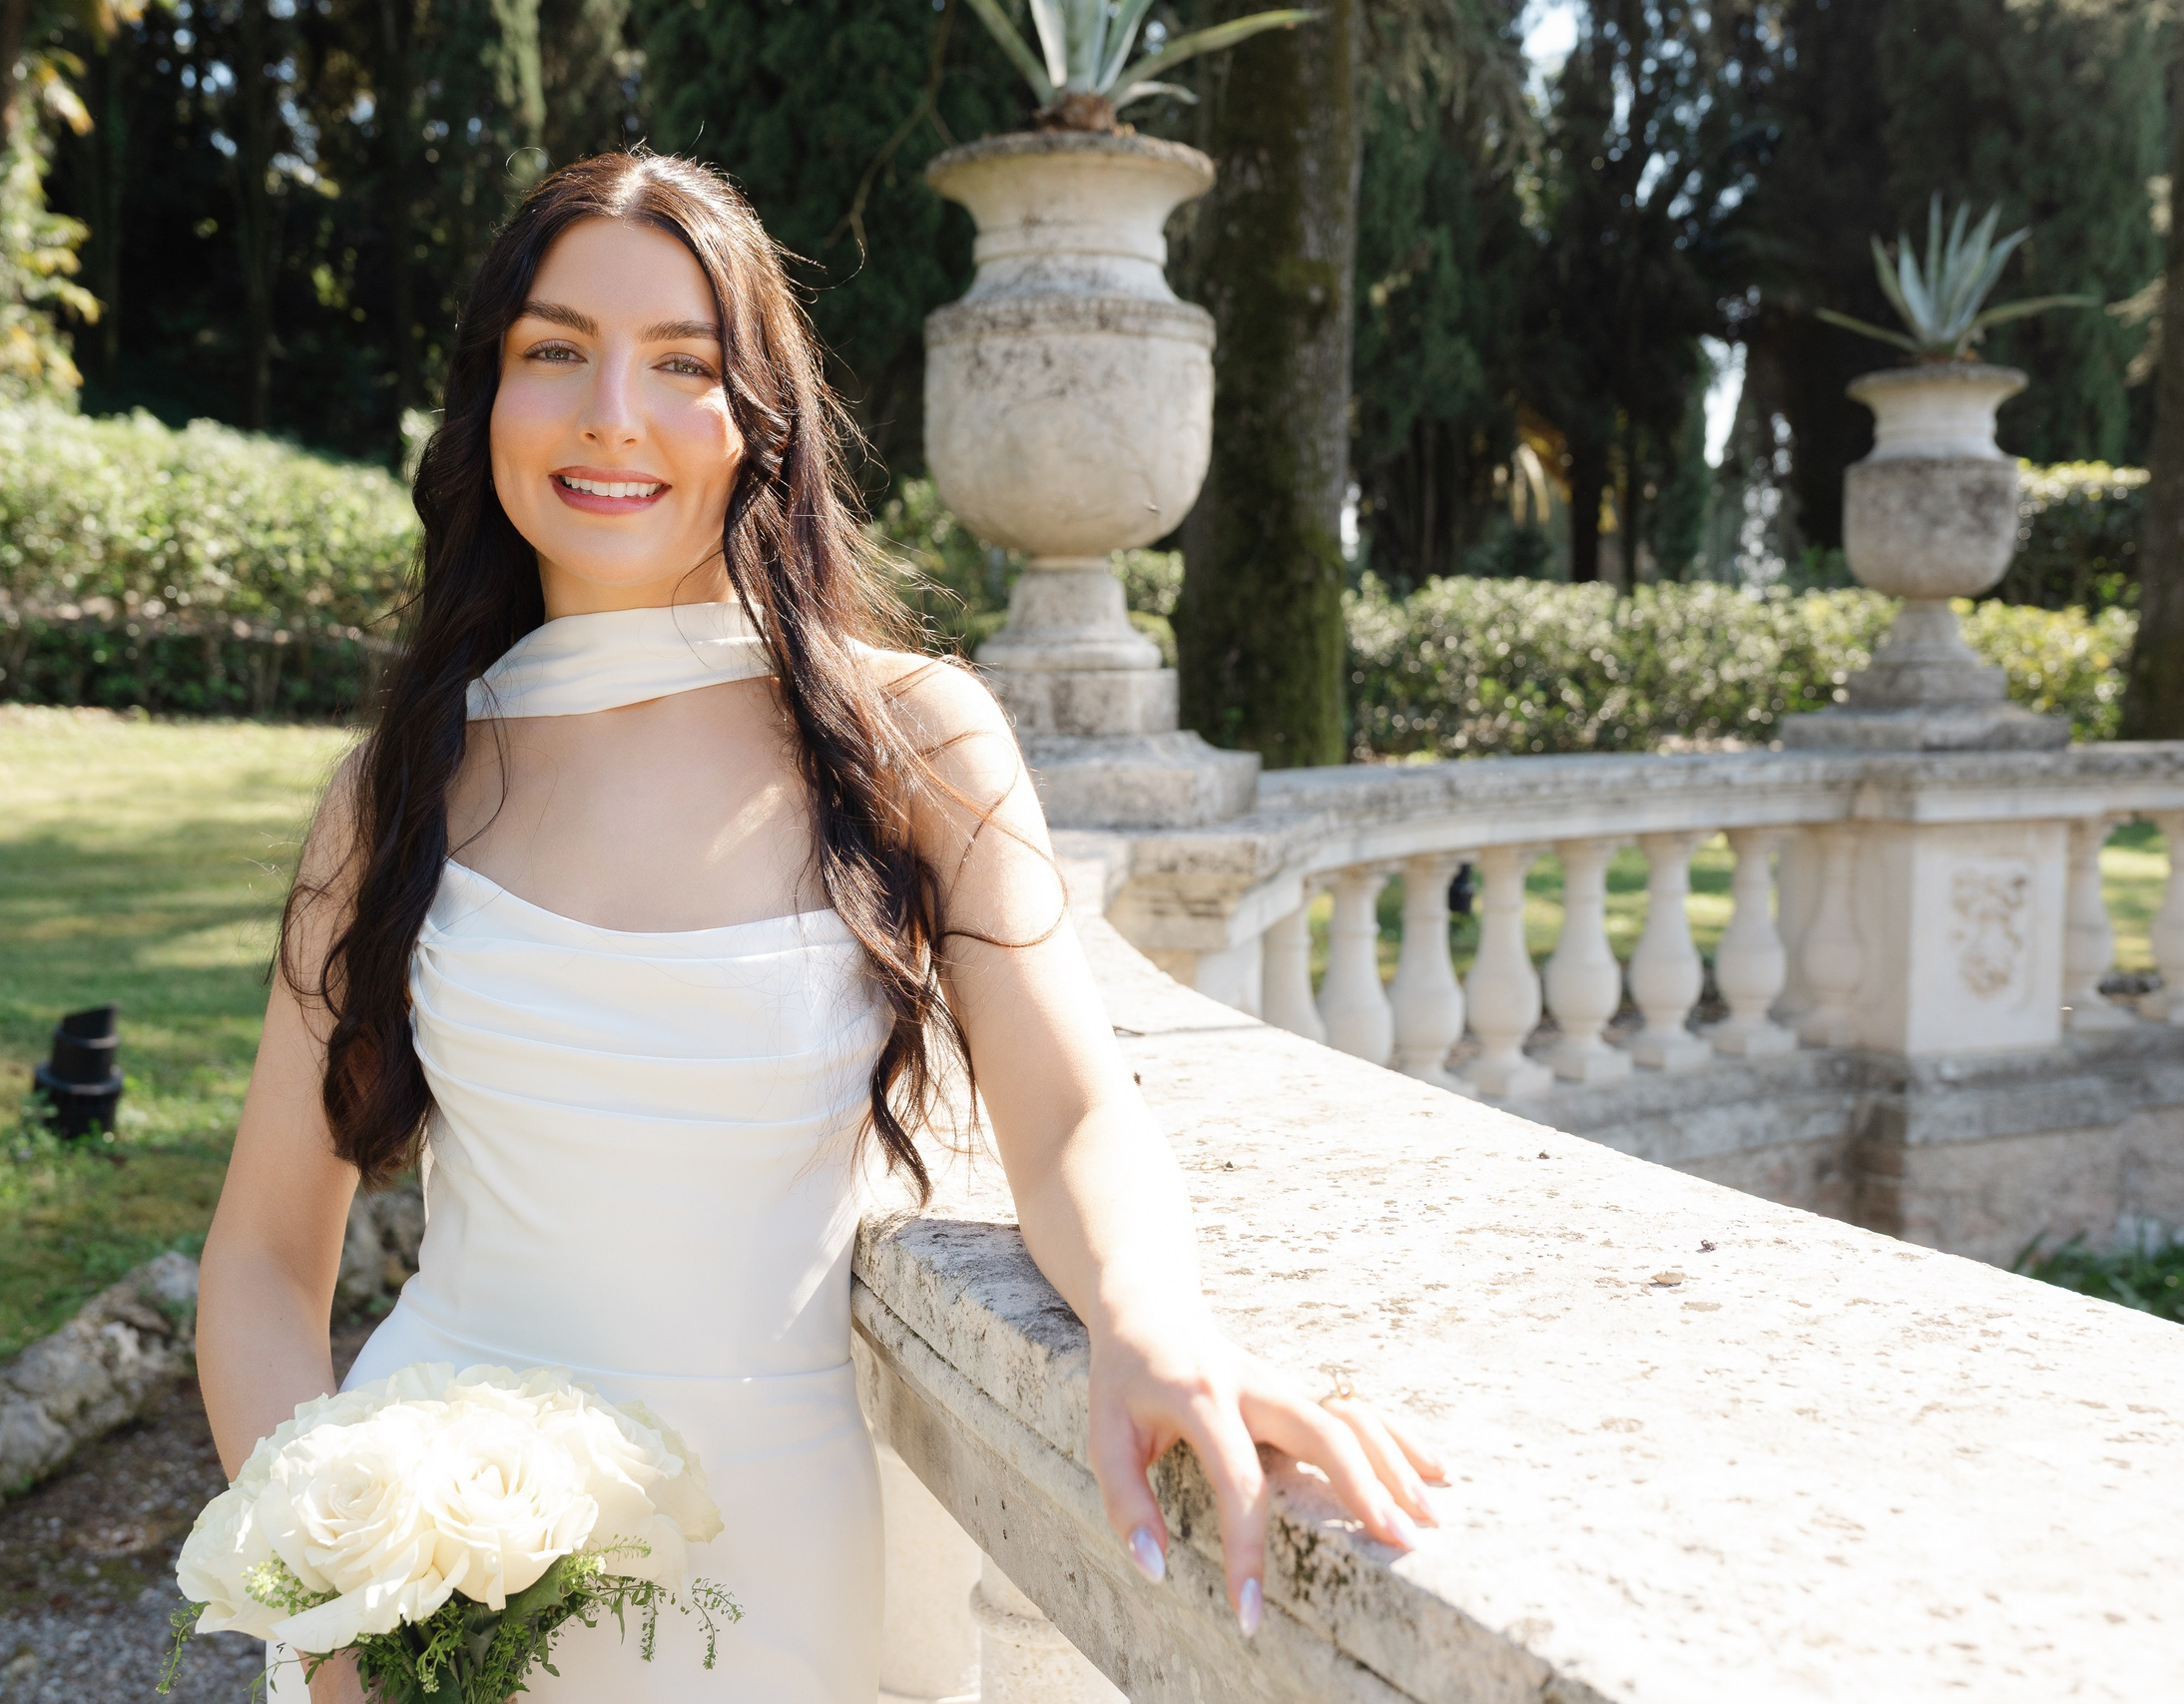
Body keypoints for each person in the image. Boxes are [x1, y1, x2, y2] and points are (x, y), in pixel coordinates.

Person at [195, 151, 1443, 1703]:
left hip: (788, 1562)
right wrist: (331, 1601)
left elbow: (1063, 1115)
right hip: (436, 1590)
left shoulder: (911, 737)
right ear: (487, 402)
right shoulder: (393, 793)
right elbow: (259, 1258)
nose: (611, 416)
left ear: (755, 424)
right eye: (554, 351)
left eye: (682, 365)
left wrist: (1150, 1324)